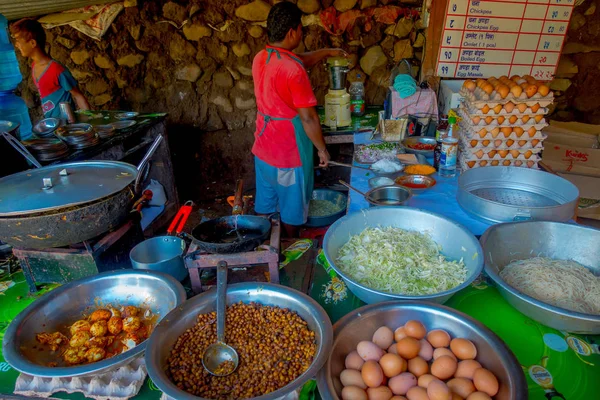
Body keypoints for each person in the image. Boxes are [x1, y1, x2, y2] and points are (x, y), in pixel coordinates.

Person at [252, 1, 347, 237]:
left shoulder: (262, 57)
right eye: (301, 30)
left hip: (263, 149)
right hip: (288, 154)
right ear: (292, 31)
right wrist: (322, 150)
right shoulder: (294, 71)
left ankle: (268, 248)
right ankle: (290, 244)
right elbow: (309, 119)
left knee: (267, 208)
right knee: (292, 210)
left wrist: (326, 52)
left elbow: (296, 60)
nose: (301, 35)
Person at [10, 19, 90, 118]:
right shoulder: (35, 66)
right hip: (52, 126)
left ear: (32, 43)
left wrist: (88, 122)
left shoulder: (56, 70)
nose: (16, 45)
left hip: (66, 127)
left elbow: (78, 96)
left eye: (18, 41)